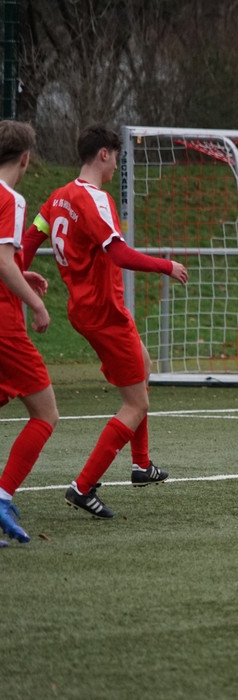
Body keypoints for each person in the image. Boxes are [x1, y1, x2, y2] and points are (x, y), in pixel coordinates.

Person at [22, 123, 188, 518]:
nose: (116, 166)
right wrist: (166, 266)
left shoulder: (59, 196)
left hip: (84, 309)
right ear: (103, 154)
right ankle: (82, 487)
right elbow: (120, 254)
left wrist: (20, 277)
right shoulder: (95, 199)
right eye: (116, 158)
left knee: (143, 364)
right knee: (136, 404)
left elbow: (29, 240)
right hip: (105, 313)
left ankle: (141, 465)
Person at [0, 121, 58, 544]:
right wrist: (35, 304)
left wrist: (22, 273)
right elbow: (1, 262)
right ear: (25, 159)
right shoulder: (11, 198)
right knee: (45, 413)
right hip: (3, 326)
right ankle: (2, 497)